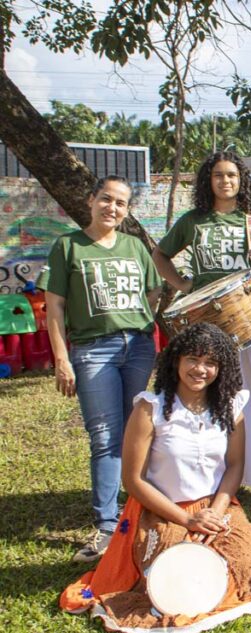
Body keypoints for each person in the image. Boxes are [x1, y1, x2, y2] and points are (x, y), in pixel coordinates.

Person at [60, 323, 251, 633]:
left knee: (245, 561)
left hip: (216, 506)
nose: (200, 369)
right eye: (193, 359)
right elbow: (133, 480)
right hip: (161, 510)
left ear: (221, 368)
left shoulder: (231, 407)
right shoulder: (149, 408)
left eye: (210, 362)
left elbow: (235, 467)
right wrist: (186, 520)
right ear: (176, 360)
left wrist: (216, 513)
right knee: (172, 566)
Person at [153, 151, 251, 511]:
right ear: (208, 180)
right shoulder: (193, 221)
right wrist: (183, 285)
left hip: (250, 318)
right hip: (206, 321)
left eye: (232, 175)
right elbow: (160, 255)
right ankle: (216, 480)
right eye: (219, 175)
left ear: (242, 180)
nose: (226, 181)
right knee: (212, 395)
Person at [39, 175, 161, 562]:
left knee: (137, 430)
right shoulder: (68, 246)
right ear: (91, 201)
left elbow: (153, 289)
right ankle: (108, 525)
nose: (112, 208)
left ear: (127, 211)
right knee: (105, 435)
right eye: (106, 199)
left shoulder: (134, 246)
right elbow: (55, 306)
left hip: (138, 347)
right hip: (93, 350)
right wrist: (62, 358)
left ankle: (140, 508)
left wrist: (139, 318)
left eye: (121, 203)